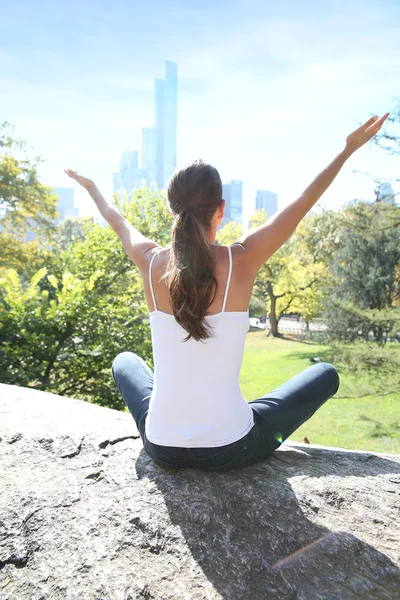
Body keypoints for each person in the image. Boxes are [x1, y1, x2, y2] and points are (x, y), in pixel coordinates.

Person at [65, 112, 389, 472]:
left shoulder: (150, 260)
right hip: (231, 449)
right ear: (221, 210)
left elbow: (119, 221)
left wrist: (92, 189)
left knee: (125, 361)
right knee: (325, 374)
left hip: (161, 447)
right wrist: (346, 151)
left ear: (171, 210)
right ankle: (234, 416)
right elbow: (302, 201)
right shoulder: (242, 260)